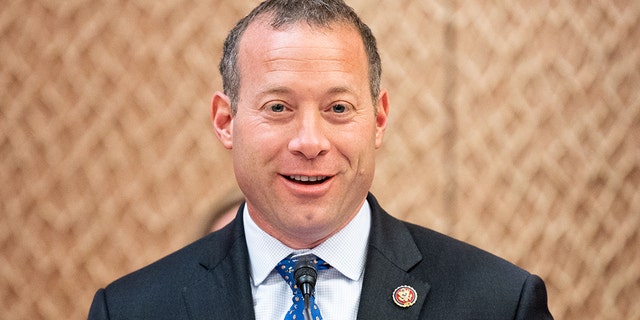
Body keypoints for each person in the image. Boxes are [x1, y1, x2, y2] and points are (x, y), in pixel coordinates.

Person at [88, 0, 554, 319]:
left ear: (378, 120)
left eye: (337, 109)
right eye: (278, 108)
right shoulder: (134, 308)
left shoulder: (496, 302)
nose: (310, 142)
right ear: (226, 120)